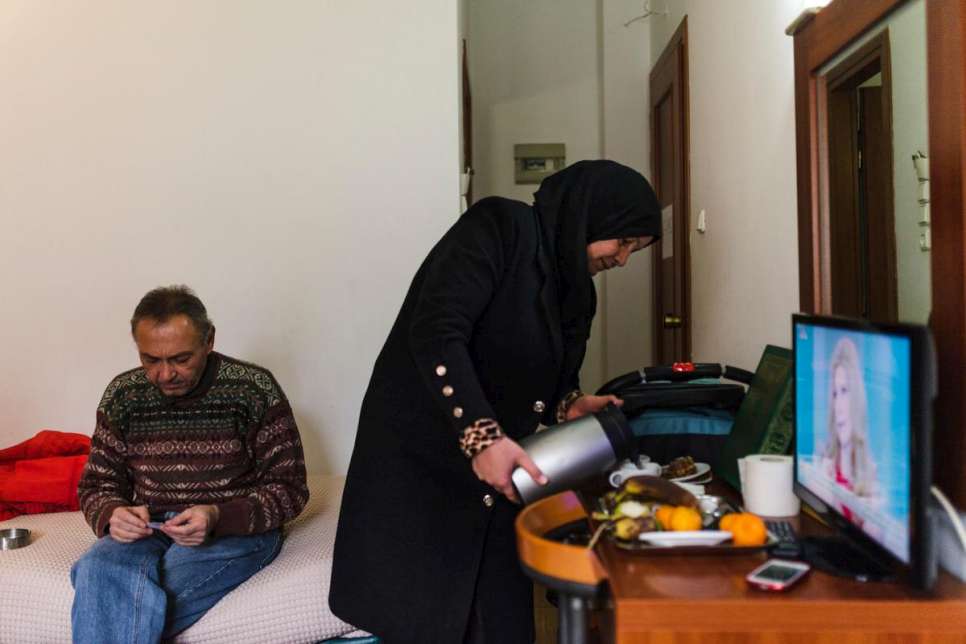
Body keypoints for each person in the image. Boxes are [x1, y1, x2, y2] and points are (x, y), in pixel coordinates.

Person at [329, 160, 662, 643]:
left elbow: (548, 374)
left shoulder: (577, 292)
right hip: (425, 468)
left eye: (636, 248)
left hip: (498, 479)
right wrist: (482, 436)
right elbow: (437, 331)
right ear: (594, 215)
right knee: (426, 618)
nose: (624, 258)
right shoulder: (499, 228)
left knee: (500, 620)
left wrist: (569, 402)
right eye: (624, 241)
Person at [71, 285, 309, 644]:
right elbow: (96, 486)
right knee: (97, 569)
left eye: (181, 359)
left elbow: (289, 488)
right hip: (149, 527)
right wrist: (111, 513)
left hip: (233, 530)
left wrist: (217, 516)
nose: (165, 374)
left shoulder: (253, 389)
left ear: (209, 340)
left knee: (125, 594)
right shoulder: (123, 395)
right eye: (151, 360)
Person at [820, 337, 879, 520]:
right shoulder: (822, 468)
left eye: (845, 391)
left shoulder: (872, 477)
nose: (838, 405)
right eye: (835, 394)